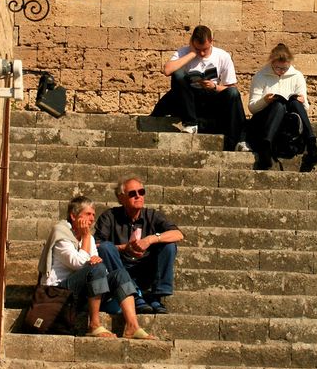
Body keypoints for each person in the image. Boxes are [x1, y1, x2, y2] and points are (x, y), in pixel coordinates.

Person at [38, 195, 155, 339]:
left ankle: (132, 326)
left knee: (120, 274)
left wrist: (90, 250)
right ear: (73, 216)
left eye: (93, 214)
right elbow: (79, 263)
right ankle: (93, 324)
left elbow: (101, 269)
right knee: (96, 268)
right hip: (58, 293)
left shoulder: (90, 238)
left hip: (81, 293)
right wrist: (86, 238)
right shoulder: (61, 233)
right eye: (88, 214)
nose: (92, 219)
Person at [151, 24, 250, 151]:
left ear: (211, 42)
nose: (202, 53)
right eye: (198, 49)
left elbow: (230, 88)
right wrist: (192, 54)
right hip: (188, 99)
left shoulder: (222, 56)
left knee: (233, 93)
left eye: (205, 49)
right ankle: (191, 123)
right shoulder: (184, 52)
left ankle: (240, 139)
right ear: (192, 42)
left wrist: (214, 86)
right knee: (178, 74)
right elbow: (167, 70)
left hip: (212, 98)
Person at [95, 176, 183, 315]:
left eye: (141, 192)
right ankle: (134, 294)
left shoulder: (152, 215)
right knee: (106, 247)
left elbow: (178, 234)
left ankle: (156, 295)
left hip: (146, 269)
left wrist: (150, 239)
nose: (138, 196)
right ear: (121, 198)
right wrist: (125, 248)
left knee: (169, 245)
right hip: (120, 269)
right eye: (132, 193)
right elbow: (96, 245)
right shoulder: (109, 216)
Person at [247, 43, 317, 171]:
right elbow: (252, 108)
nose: (281, 71)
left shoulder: (297, 76)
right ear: (272, 63)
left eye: (284, 68)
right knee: (278, 105)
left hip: (288, 123)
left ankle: (311, 143)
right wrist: (265, 100)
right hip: (266, 120)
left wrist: (302, 101)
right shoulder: (260, 76)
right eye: (277, 68)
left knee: (295, 103)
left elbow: (305, 108)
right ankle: (266, 145)